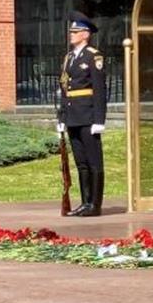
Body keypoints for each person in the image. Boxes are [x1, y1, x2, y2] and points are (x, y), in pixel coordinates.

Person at [56, 11, 106, 217]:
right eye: (71, 31)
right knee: (81, 163)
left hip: (88, 116)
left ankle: (95, 204)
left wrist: (99, 120)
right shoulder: (69, 58)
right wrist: (61, 118)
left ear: (85, 34)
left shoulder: (93, 56)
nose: (71, 34)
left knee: (94, 162)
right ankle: (85, 202)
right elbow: (65, 89)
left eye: (75, 31)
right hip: (73, 117)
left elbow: (100, 90)